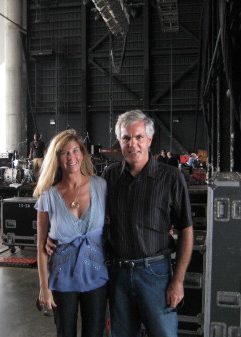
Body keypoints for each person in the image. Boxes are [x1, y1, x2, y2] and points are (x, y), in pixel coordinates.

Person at [102, 110, 193, 337]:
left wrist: (178, 280)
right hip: (119, 275)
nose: (133, 144)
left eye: (139, 137)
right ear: (120, 141)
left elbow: (186, 229)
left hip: (156, 275)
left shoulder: (171, 178)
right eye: (126, 138)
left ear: (149, 140)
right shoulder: (110, 176)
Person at [34, 129, 108, 337]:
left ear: (83, 154)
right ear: (56, 158)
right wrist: (44, 287)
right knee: (65, 332)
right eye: (64, 153)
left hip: (96, 274)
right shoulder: (48, 195)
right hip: (62, 276)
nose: (71, 157)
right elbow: (41, 247)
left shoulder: (101, 186)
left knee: (94, 333)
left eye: (75, 151)